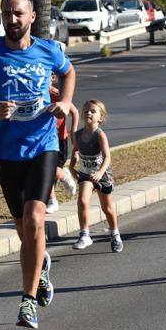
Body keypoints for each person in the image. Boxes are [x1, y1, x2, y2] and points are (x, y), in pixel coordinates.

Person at [0, 0, 76, 329]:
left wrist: (66, 102)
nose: (11, 20)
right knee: (23, 227)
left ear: (31, 16)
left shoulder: (49, 50)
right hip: (6, 151)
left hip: (43, 144)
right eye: (6, 14)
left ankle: (27, 301)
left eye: (17, 13)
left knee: (35, 216)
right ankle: (39, 267)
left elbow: (68, 73)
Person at [70, 99, 122, 252]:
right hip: (86, 174)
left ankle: (115, 234)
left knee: (107, 208)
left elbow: (107, 157)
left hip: (102, 175)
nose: (89, 113)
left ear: (101, 117)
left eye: (93, 111)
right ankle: (85, 235)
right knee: (82, 200)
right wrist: (72, 166)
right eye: (86, 111)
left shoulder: (100, 135)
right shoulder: (78, 135)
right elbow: (75, 151)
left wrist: (100, 173)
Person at [46, 70, 80, 213]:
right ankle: (52, 201)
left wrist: (73, 131)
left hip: (59, 139)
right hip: (43, 140)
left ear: (52, 78)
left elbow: (75, 111)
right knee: (43, 171)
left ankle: (64, 175)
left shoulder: (57, 94)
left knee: (51, 171)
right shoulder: (34, 95)